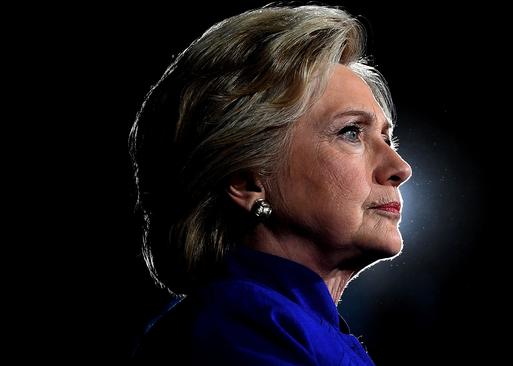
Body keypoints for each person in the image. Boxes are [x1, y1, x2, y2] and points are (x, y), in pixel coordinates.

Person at [129, 4, 411, 365]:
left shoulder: (280, 324)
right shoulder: (239, 330)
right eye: (351, 132)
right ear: (248, 183)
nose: (400, 168)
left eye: (388, 140)